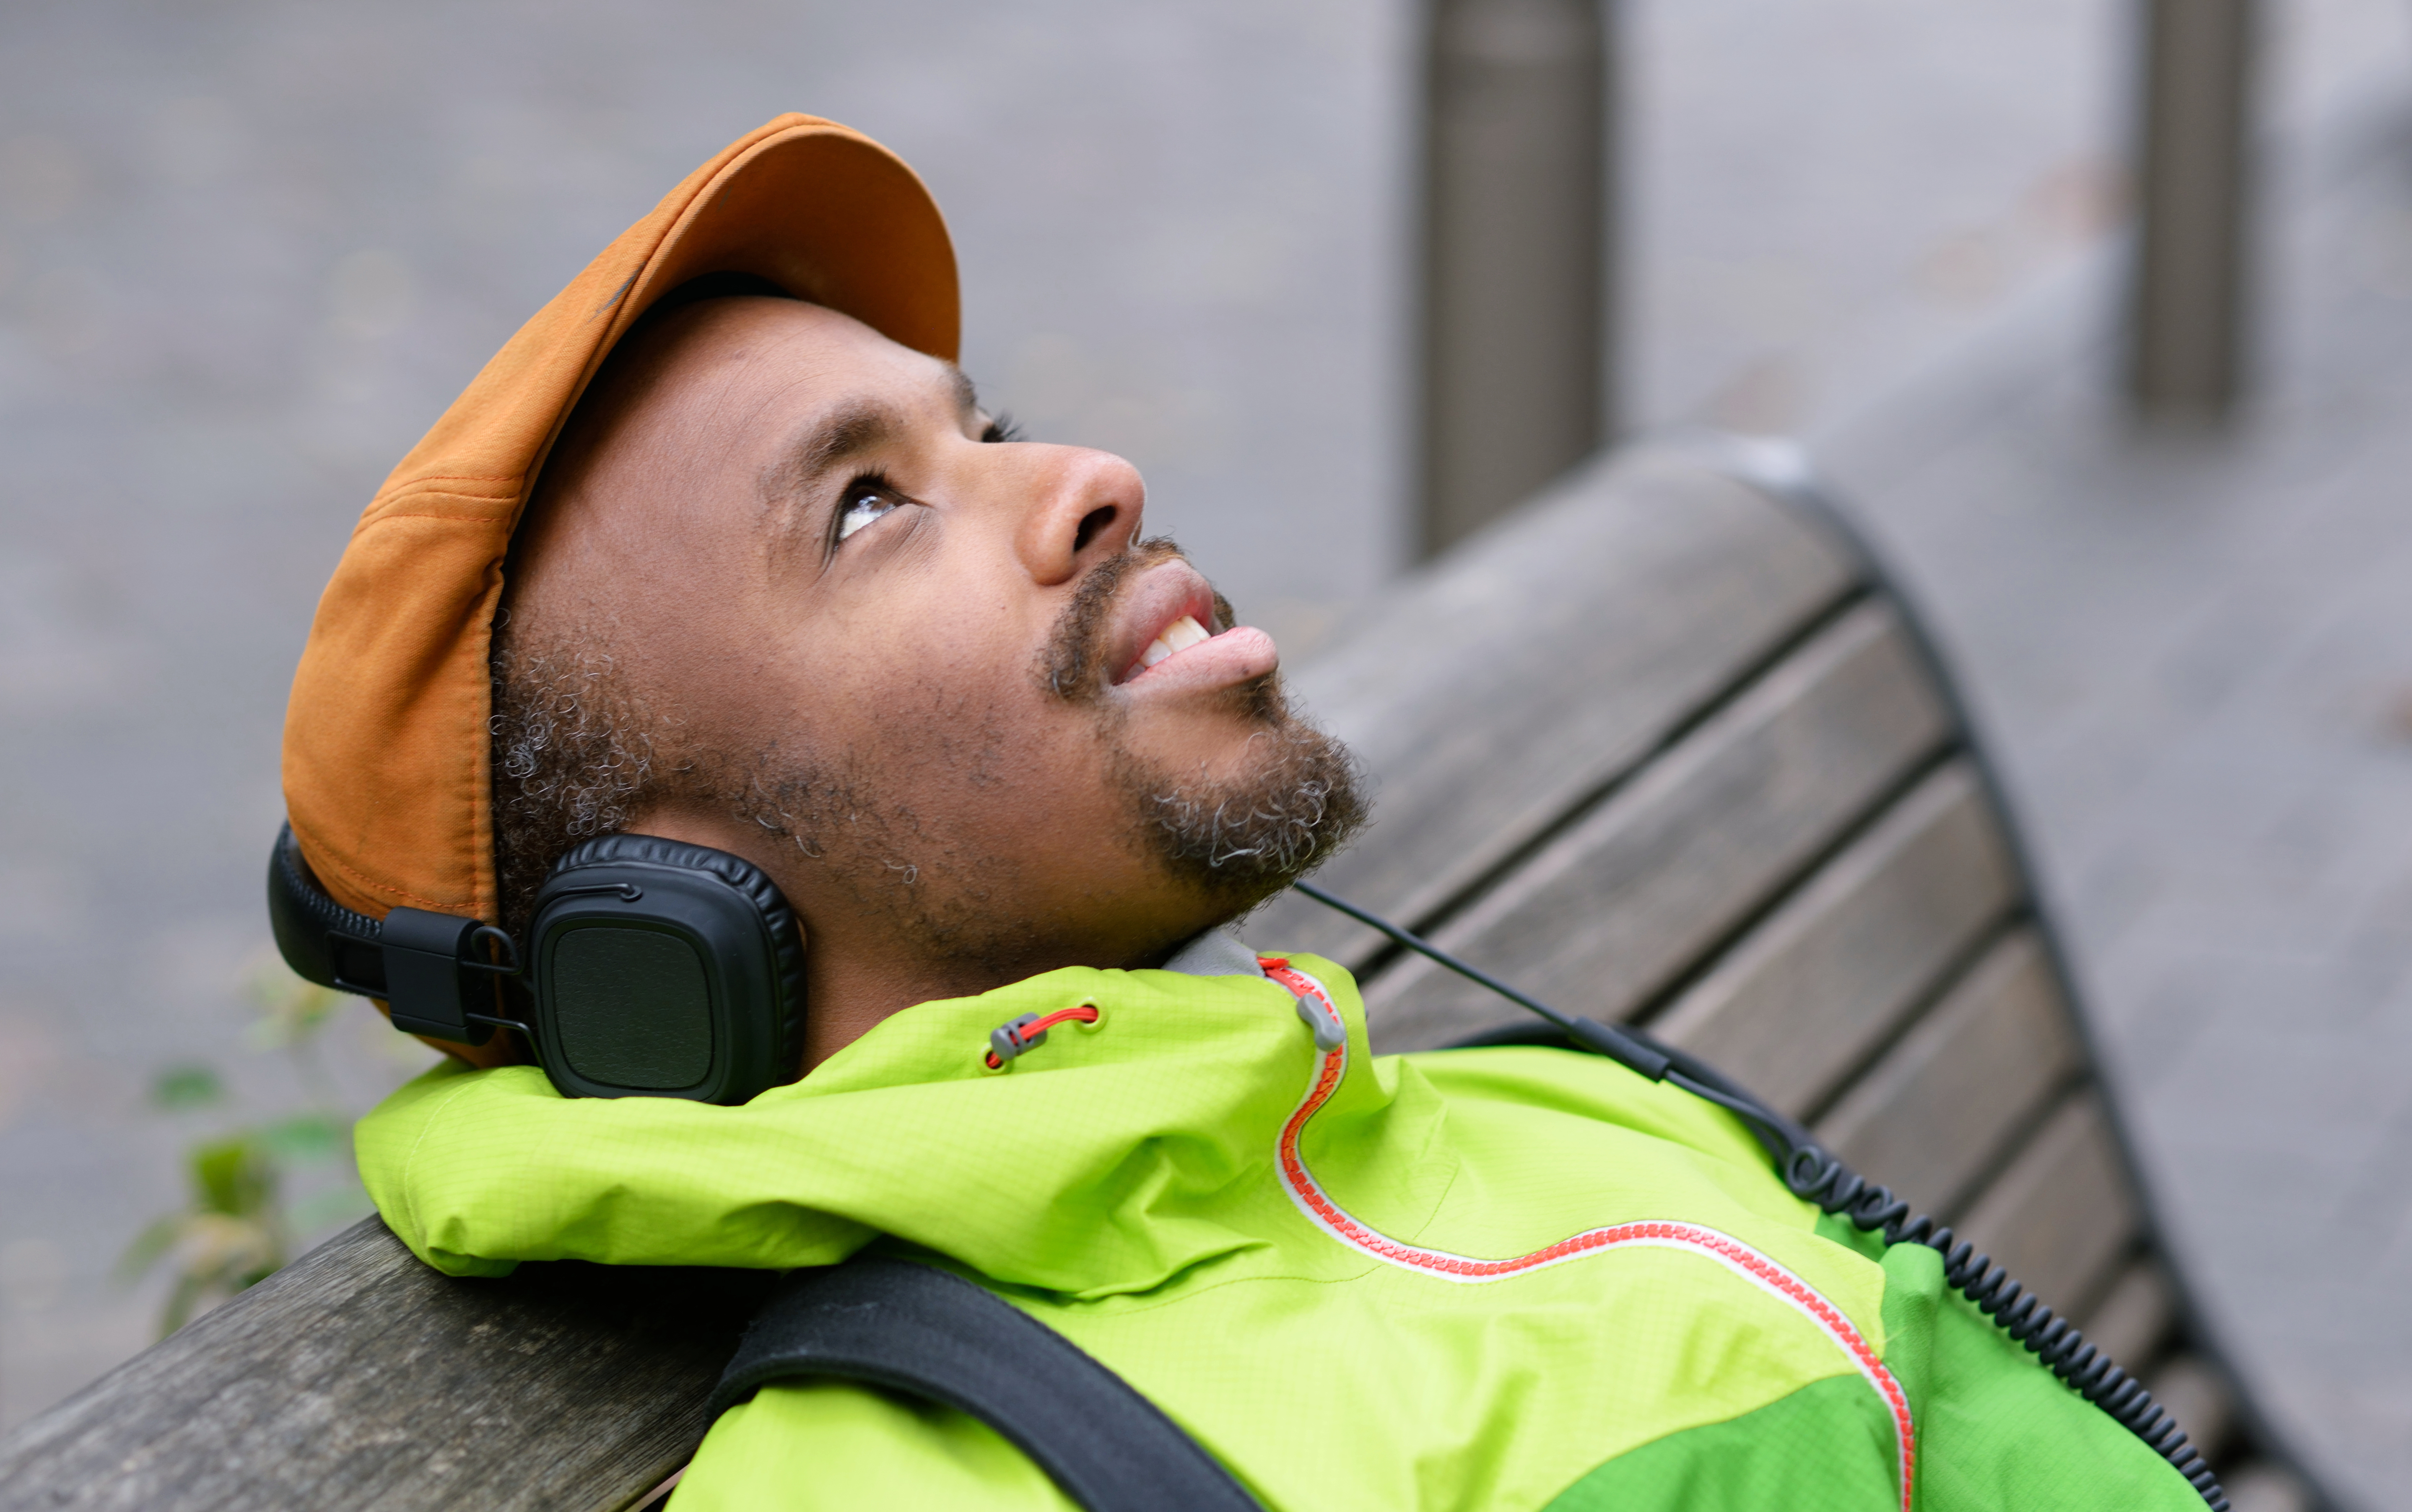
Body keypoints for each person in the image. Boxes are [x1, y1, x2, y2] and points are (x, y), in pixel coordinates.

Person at [280, 115, 2205, 1510]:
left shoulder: (1435, 1099)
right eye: (865, 506)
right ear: (666, 940)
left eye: (985, 419)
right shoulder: (925, 1477)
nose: (1089, 475)